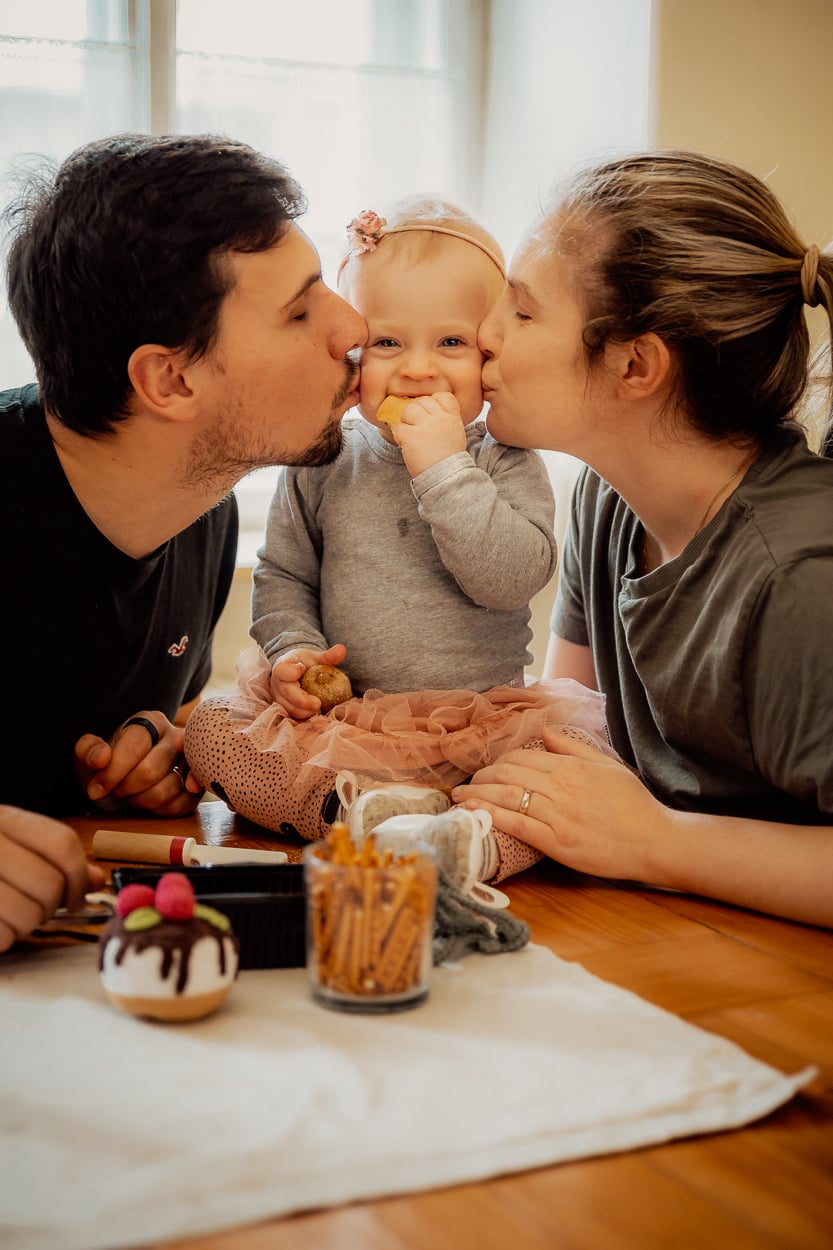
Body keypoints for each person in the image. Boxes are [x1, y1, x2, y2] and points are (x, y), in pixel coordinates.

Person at [184, 195, 616, 898]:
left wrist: (446, 468)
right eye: (387, 344)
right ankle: (352, 812)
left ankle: (472, 839)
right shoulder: (324, 458)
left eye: (450, 344)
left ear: (489, 353)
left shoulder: (508, 458)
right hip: (349, 723)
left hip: (483, 722)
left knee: (578, 755)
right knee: (211, 731)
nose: (417, 370)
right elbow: (285, 574)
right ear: (352, 355)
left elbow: (510, 580)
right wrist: (293, 650)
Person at [1, 131, 366, 948]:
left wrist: (156, 753)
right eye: (301, 311)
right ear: (170, 380)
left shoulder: (204, 506)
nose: (354, 328)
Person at [451, 149, 833, 929]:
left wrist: (657, 841)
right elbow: (575, 732)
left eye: (521, 313)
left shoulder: (799, 577)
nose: (483, 334)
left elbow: (632, 828)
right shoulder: (606, 497)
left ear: (635, 365)